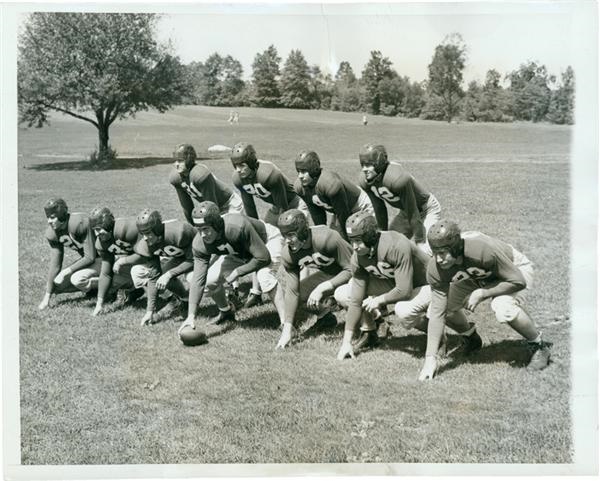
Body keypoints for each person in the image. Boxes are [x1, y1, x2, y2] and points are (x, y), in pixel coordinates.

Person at [418, 220, 552, 381]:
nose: (438, 260)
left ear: (455, 247)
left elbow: (517, 281)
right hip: (476, 275)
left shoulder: (481, 250)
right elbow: (438, 312)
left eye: (442, 253)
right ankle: (470, 337)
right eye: (435, 253)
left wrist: (482, 293)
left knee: (503, 308)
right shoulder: (436, 268)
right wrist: (430, 360)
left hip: (514, 270)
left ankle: (538, 345)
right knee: (438, 308)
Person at [334, 210, 433, 361]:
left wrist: (378, 300)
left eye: (358, 241)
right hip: (398, 282)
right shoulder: (358, 257)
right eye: (352, 240)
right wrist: (346, 343)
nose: (354, 247)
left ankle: (439, 336)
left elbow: (404, 291)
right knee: (344, 292)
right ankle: (369, 332)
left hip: (429, 283)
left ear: (370, 237)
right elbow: (355, 300)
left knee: (404, 312)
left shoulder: (395, 244)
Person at [179, 201, 285, 335]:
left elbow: (263, 258)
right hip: (237, 251)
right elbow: (198, 279)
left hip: (266, 241)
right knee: (209, 281)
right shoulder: (200, 242)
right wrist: (191, 316)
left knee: (264, 277)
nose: (202, 235)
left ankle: (286, 323)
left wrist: (237, 272)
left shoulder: (236, 227)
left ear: (216, 225)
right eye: (199, 230)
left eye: (205, 229)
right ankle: (226, 312)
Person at [230, 142, 308, 307]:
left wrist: (284, 232)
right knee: (257, 244)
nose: (238, 169)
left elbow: (284, 208)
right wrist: (255, 231)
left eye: (242, 165)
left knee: (299, 247)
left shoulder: (268, 173)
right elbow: (250, 209)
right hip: (276, 207)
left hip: (292, 205)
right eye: (235, 165)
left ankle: (305, 290)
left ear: (251, 163)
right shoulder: (239, 179)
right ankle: (256, 292)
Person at [276, 209, 354, 349]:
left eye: (291, 235)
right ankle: (326, 317)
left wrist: (322, 288)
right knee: (297, 296)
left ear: (302, 231)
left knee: (342, 294)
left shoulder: (325, 238)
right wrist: (287, 330)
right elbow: (293, 292)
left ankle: (373, 322)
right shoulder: (288, 254)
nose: (287, 240)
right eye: (284, 235)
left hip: (356, 274)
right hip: (329, 273)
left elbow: (353, 268)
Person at [117, 209, 194, 326]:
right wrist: (150, 311)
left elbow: (196, 259)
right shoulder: (147, 245)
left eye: (148, 233)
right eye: (142, 234)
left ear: (157, 230)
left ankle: (226, 304)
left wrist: (170, 274)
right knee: (161, 277)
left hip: (202, 255)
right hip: (180, 257)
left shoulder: (179, 232)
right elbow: (154, 276)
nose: (145, 238)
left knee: (192, 277)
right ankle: (184, 300)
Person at [358, 144, 441, 252]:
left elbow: (413, 210)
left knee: (426, 250)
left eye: (369, 165)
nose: (364, 169)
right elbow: (379, 209)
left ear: (379, 163)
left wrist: (419, 240)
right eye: (362, 165)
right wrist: (381, 234)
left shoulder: (396, 179)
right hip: (406, 212)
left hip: (426, 209)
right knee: (389, 246)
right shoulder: (365, 181)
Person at [293, 150, 373, 240]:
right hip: (339, 210)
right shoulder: (300, 187)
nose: (300, 176)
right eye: (298, 171)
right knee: (332, 241)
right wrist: (321, 234)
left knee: (364, 238)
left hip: (358, 205)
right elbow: (316, 214)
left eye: (303, 171)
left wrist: (348, 237)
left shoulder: (329, 183)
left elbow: (343, 214)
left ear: (314, 169)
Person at [38, 198, 101, 310]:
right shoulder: (52, 233)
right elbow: (55, 264)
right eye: (48, 218)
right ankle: (94, 289)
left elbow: (90, 256)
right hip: (93, 260)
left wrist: (66, 272)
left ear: (62, 215)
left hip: (107, 258)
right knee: (55, 286)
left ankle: (113, 287)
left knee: (76, 279)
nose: (49, 221)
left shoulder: (78, 223)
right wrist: (47, 297)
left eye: (52, 217)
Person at [169, 143, 243, 225]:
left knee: (227, 231)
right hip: (212, 205)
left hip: (229, 204)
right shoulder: (176, 178)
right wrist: (194, 225)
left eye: (180, 161)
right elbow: (186, 206)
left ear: (189, 159)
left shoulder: (199, 174)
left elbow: (212, 204)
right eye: (175, 161)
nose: (176, 164)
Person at [89, 207, 144, 316]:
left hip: (157, 256)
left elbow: (147, 254)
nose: (96, 234)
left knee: (139, 271)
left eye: (99, 229)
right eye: (94, 230)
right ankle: (134, 290)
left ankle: (172, 298)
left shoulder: (126, 229)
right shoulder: (101, 243)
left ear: (107, 224)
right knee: (112, 283)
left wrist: (122, 261)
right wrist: (99, 303)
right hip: (135, 259)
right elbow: (105, 273)